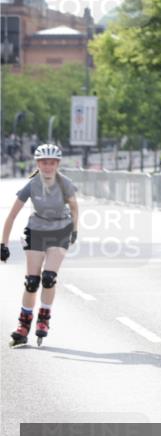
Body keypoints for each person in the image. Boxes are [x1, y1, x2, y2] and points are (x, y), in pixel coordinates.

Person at [2, 144, 79, 347]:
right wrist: (3, 243)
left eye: (52, 162)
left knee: (49, 278)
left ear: (57, 164)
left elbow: (74, 207)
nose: (48, 166)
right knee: (32, 281)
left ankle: (44, 318)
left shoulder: (65, 184)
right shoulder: (31, 185)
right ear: (38, 163)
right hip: (36, 232)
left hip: (60, 232)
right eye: (44, 162)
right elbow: (12, 216)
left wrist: (75, 230)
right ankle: (23, 326)